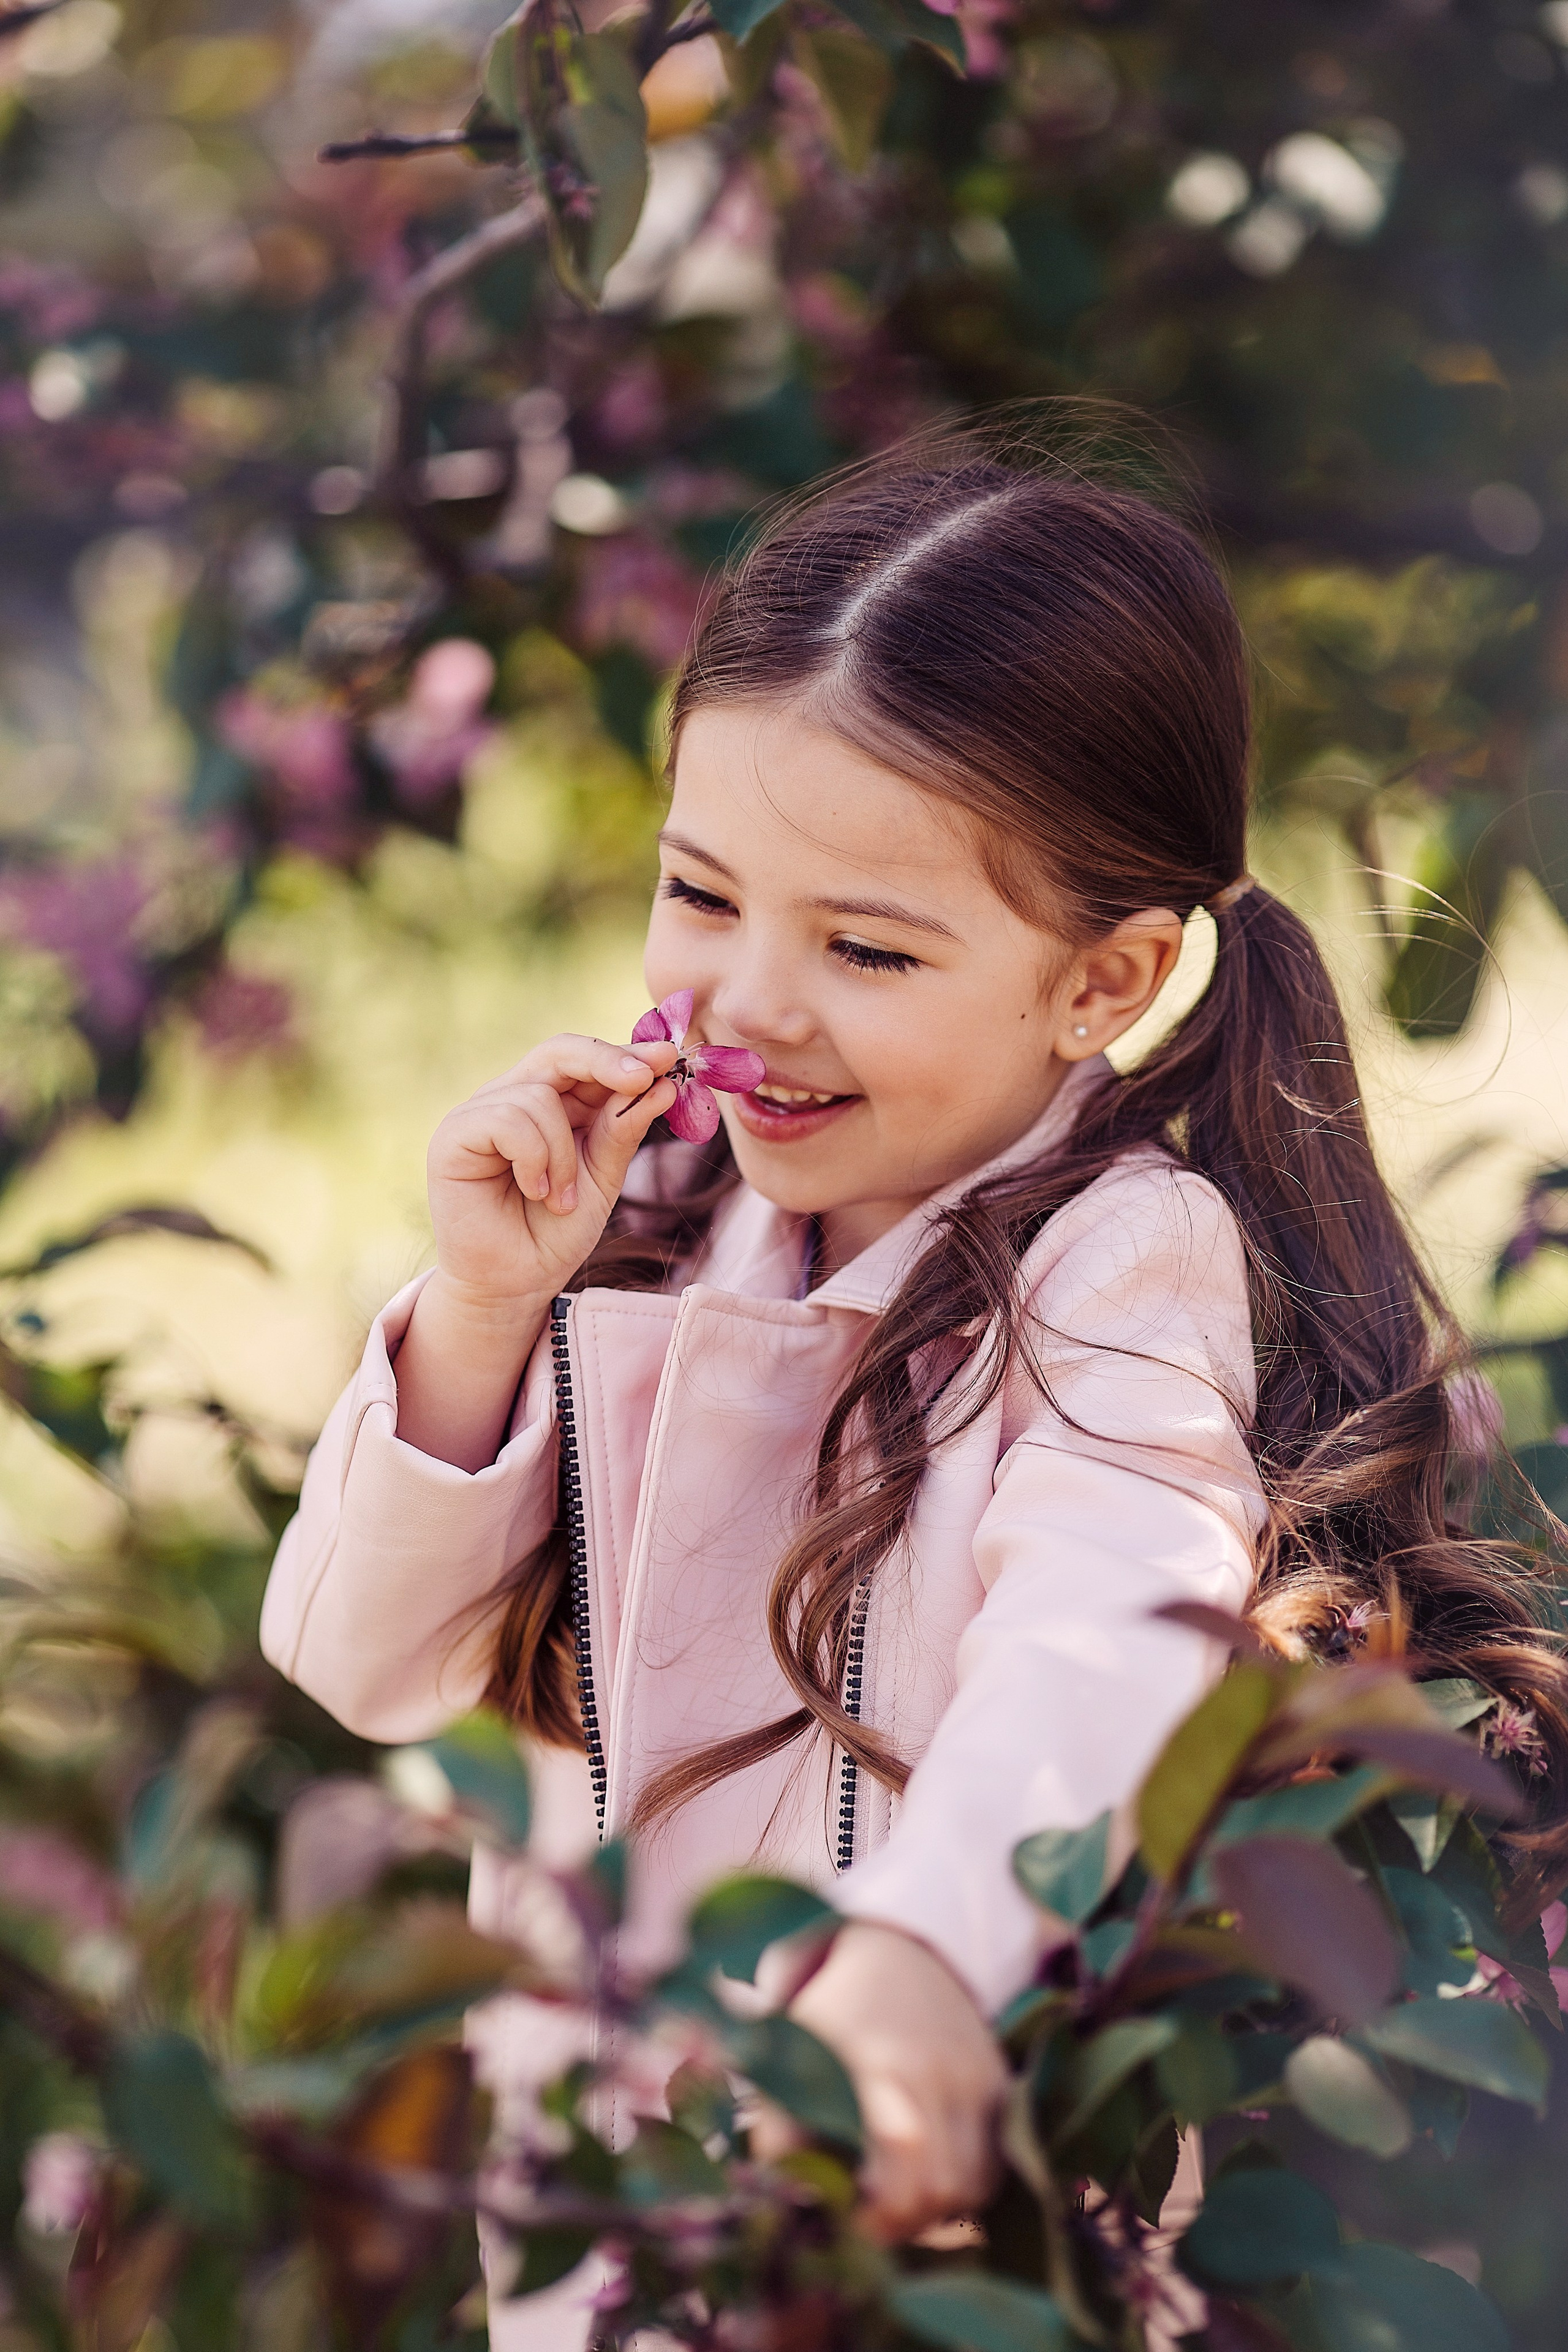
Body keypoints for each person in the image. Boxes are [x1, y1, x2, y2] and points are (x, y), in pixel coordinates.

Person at [260, 426, 1568, 2348]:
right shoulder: (648, 1235)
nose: (755, 1000)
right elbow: (362, 1665)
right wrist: (474, 1308)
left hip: (962, 2225)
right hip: (622, 2259)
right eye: (702, 894)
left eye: (868, 945)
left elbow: (1110, 1622)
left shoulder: (1118, 1257)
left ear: (1103, 983)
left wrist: (916, 1968)